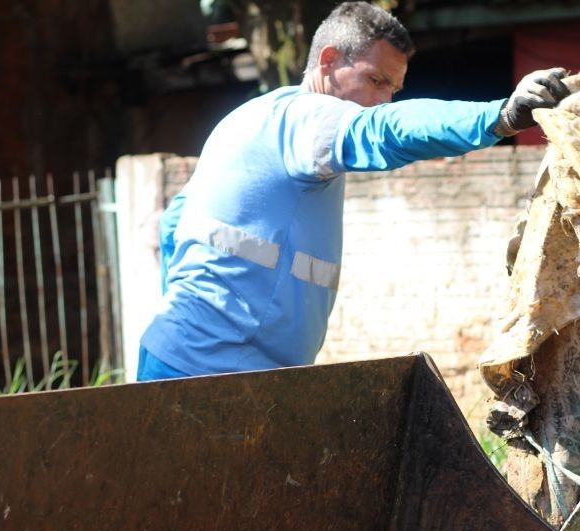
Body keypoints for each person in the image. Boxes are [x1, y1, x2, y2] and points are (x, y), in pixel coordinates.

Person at [137, 1, 570, 382]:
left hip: (182, 360)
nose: (384, 100)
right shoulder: (311, 119)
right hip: (217, 375)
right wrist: (499, 117)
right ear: (327, 62)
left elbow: (175, 222)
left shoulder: (248, 119)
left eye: (394, 89)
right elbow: (386, 130)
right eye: (376, 80)